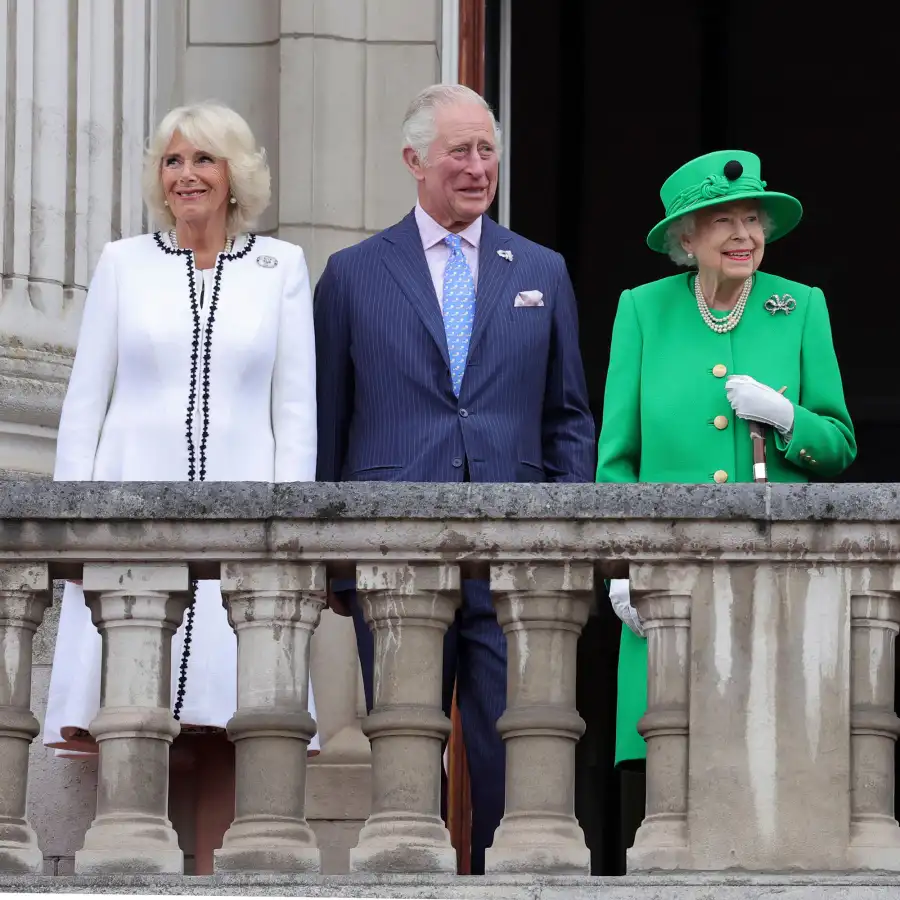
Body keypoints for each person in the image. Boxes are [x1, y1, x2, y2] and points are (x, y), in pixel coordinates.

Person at [314, 83, 595, 873]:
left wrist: (569, 537)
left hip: (517, 562)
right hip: (395, 556)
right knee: (406, 759)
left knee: (517, 754)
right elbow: (328, 425)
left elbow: (567, 414)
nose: (478, 168)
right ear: (414, 161)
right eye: (460, 152)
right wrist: (331, 558)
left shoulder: (542, 269)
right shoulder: (351, 274)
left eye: (487, 151)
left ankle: (510, 887)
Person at [44, 101, 319, 874]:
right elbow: (83, 407)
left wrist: (289, 538)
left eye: (204, 159)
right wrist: (72, 531)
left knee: (232, 724)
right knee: (133, 721)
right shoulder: (121, 264)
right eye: (173, 161)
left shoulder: (281, 269)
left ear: (236, 176)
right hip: (129, 529)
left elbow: (294, 413)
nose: (187, 174)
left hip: (243, 535)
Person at [596, 149, 856, 853]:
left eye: (752, 219)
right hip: (670, 583)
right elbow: (616, 459)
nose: (744, 234)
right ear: (688, 239)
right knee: (665, 763)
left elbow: (839, 445)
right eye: (723, 222)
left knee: (772, 759)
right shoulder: (642, 311)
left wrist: (787, 417)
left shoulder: (799, 306)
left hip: (774, 579)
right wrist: (621, 567)